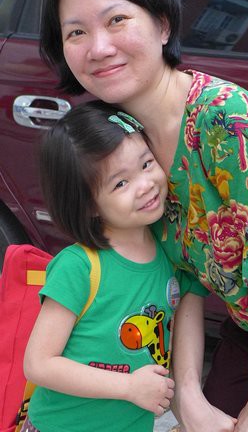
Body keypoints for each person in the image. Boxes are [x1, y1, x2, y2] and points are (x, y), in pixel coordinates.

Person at [39, 0, 248, 431]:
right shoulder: (126, 144)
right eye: (76, 33)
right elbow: (182, 276)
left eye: (117, 19)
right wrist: (186, 392)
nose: (99, 46)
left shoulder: (224, 119)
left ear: (163, 25)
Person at [22, 100, 187, 432]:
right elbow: (38, 364)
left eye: (146, 163)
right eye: (120, 183)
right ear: (89, 206)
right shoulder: (78, 267)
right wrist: (128, 387)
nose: (145, 184)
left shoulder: (169, 251)